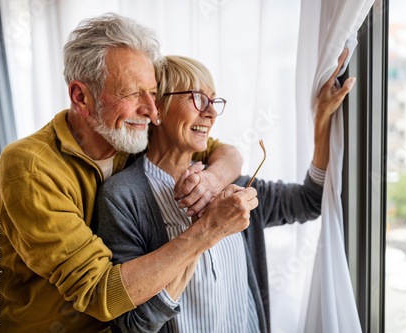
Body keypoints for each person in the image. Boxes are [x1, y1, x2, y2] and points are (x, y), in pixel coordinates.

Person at [0, 14, 257, 332]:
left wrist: (212, 179)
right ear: (80, 97)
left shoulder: (131, 136)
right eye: (132, 93)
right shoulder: (29, 169)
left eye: (153, 94)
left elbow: (224, 151)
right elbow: (102, 293)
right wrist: (207, 231)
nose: (152, 111)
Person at [95, 53, 355, 332]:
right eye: (197, 98)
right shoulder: (122, 197)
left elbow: (310, 201)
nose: (211, 113)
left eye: (214, 101)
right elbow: (134, 325)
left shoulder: (232, 184)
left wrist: (322, 122)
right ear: (156, 107)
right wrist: (209, 230)